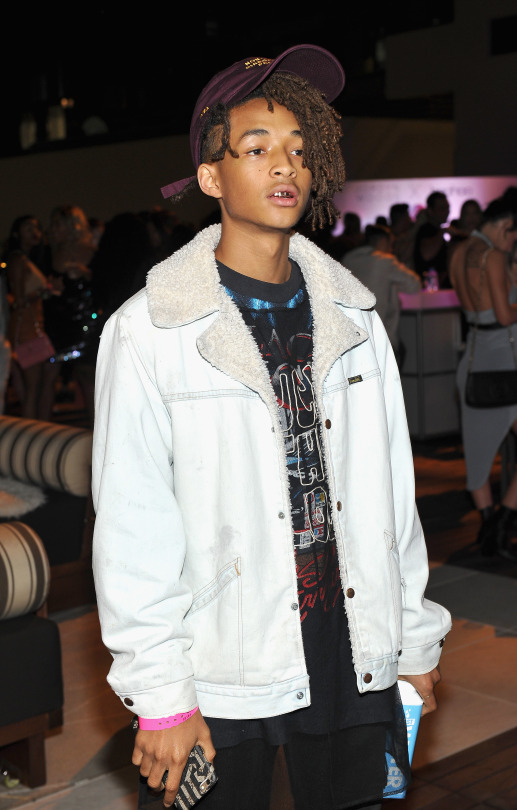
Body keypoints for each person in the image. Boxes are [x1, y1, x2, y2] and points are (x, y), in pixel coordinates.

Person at [92, 44, 451, 810]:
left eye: (298, 147)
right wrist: (161, 693)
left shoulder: (354, 317)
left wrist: (413, 640)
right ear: (210, 177)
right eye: (255, 148)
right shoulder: (151, 330)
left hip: (352, 645)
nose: (285, 164)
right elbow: (131, 526)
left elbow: (393, 497)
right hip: (226, 655)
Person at [449, 197, 517, 561]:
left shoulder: (457, 253)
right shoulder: (493, 256)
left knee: (476, 458)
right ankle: (501, 524)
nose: (513, 242)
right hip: (503, 364)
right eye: (513, 235)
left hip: (474, 363)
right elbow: (505, 316)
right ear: (506, 225)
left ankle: (491, 528)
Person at [2, 215, 57, 419]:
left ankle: (33, 431)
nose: (35, 232)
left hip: (32, 327)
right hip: (26, 329)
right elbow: (18, 300)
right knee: (33, 388)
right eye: (28, 228)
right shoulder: (17, 259)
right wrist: (45, 290)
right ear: (17, 234)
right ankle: (31, 432)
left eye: (37, 228)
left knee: (34, 388)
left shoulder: (27, 259)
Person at [343, 223, 421, 364]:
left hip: (350, 335)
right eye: (391, 244)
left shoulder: (348, 259)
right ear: (382, 241)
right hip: (380, 335)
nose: (392, 249)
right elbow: (414, 285)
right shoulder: (385, 261)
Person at [412, 191, 452, 288]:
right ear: (430, 211)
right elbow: (427, 255)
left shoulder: (434, 230)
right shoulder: (426, 230)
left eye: (447, 208)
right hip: (429, 289)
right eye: (442, 208)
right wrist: (443, 231)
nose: (447, 211)